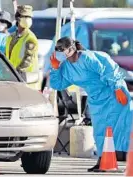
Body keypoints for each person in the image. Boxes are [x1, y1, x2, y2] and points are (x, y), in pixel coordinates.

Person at [49, 36, 133, 172]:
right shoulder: (66, 67)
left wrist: (117, 87)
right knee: (100, 131)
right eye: (57, 49)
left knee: (121, 126)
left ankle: (125, 158)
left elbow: (108, 68)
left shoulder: (88, 58)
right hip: (96, 99)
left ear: (71, 49)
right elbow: (58, 84)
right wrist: (55, 69)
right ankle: (103, 161)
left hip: (112, 94)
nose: (59, 52)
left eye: (62, 49)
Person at [5, 5, 39, 90]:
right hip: (13, 80)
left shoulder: (30, 38)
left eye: (29, 17)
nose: (27, 19)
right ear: (18, 18)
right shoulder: (10, 38)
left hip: (27, 82)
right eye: (24, 16)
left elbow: (27, 60)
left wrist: (16, 73)